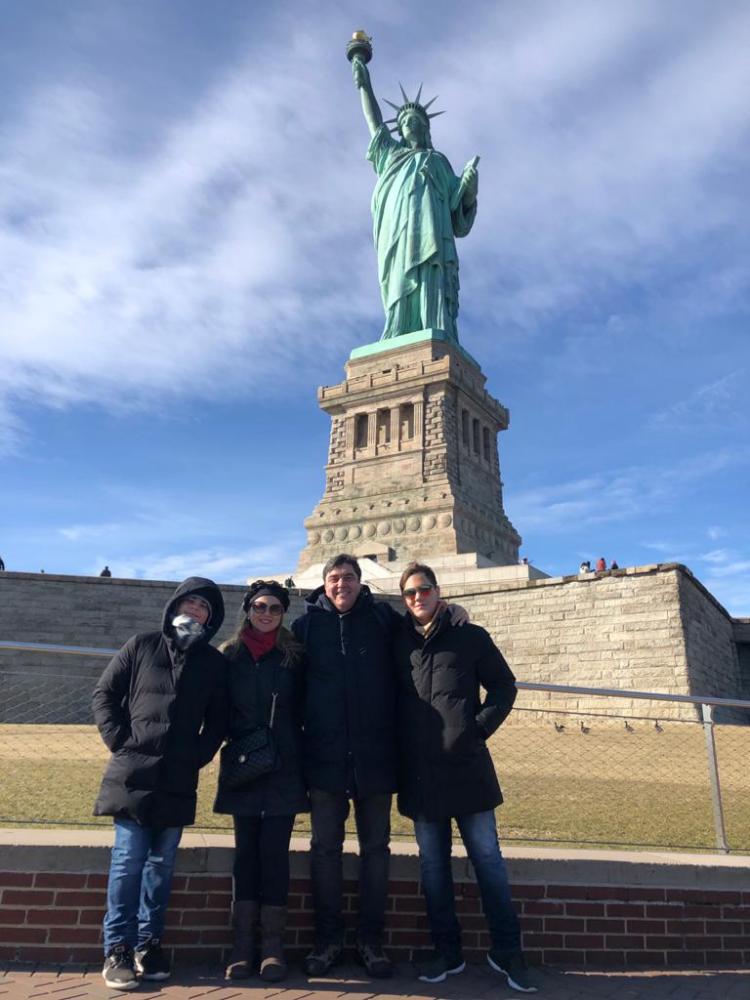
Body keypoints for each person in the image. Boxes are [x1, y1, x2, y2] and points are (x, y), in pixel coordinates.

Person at [292, 553, 468, 979]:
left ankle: (371, 942)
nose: (341, 585)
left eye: (348, 578)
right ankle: (328, 941)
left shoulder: (384, 620)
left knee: (375, 851)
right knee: (325, 851)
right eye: (334, 579)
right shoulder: (304, 627)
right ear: (323, 584)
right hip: (325, 758)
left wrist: (453, 609)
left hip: (375, 757)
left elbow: (425, 628)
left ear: (360, 582)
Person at [393, 562, 537, 994]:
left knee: (489, 863)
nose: (418, 598)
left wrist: (477, 730)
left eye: (424, 590)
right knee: (433, 868)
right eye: (410, 593)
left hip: (468, 770)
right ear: (403, 600)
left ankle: (508, 951)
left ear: (439, 593)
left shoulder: (471, 636)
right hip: (421, 775)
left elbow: (504, 686)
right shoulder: (395, 641)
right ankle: (447, 951)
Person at [92, 577, 228, 991]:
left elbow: (219, 719)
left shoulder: (212, 663)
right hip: (133, 774)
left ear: (211, 618)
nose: (195, 610)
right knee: (128, 861)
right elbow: (104, 694)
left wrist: (197, 756)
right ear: (173, 607)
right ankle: (117, 947)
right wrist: (121, 742)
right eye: (189, 602)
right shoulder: (142, 644)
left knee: (161, 866)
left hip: (176, 777)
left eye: (203, 607)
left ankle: (148, 944)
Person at [214, 581, 307, 982]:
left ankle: (272, 948)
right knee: (245, 856)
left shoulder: (295, 658)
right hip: (244, 766)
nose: (265, 613)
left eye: (273, 607)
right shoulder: (228, 656)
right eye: (258, 606)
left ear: (283, 613)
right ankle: (241, 948)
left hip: (284, 767)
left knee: (275, 856)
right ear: (247, 610)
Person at [352, 56, 478, 342]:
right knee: (397, 277)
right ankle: (398, 326)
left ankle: (434, 325)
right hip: (396, 231)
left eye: (414, 121)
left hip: (433, 236)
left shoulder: (438, 162)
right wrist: (363, 84)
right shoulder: (391, 155)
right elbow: (374, 122)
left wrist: (470, 187)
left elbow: (459, 214)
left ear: (425, 127)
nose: (408, 123)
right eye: (404, 121)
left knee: (430, 272)